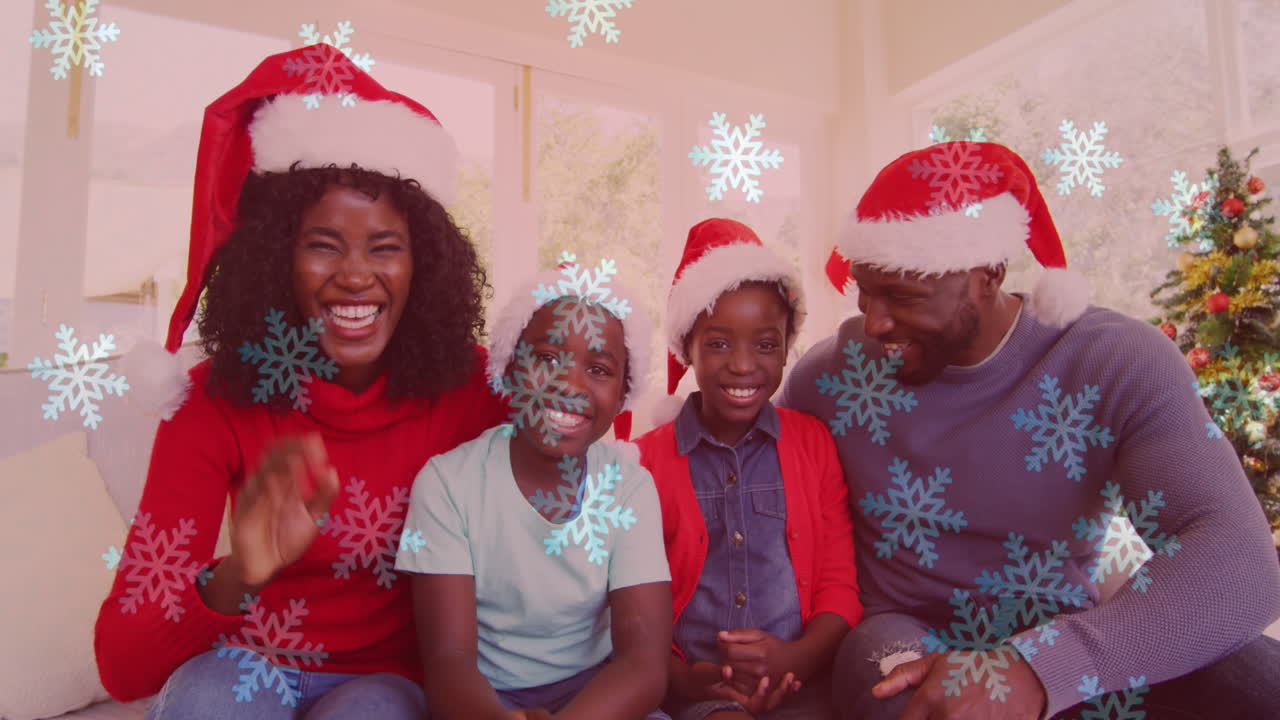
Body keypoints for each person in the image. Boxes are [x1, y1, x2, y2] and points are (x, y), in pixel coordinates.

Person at [781, 141, 1280, 719]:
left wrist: (1037, 667)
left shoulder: (1112, 361)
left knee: (1259, 680)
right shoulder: (831, 376)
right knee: (913, 697)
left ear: (989, 273)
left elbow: (1240, 561)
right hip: (899, 631)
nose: (874, 323)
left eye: (902, 297)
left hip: (1056, 626)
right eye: (866, 294)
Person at [93, 44, 506, 718]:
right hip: (247, 663)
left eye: (385, 248)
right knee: (207, 700)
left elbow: (583, 469)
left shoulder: (475, 388)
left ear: (424, 266)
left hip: (387, 679)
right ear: (274, 260)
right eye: (322, 245)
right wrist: (239, 574)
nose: (355, 275)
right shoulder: (212, 400)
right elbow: (121, 667)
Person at [394, 257, 672, 720]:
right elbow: (449, 663)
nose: (569, 384)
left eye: (598, 369)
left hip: (600, 695)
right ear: (509, 368)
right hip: (485, 699)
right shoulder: (447, 484)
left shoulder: (629, 488)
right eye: (546, 358)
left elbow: (643, 666)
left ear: (624, 394)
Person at [636, 218, 862, 720]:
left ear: (785, 346)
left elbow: (839, 583)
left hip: (803, 679)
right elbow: (630, 604)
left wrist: (799, 658)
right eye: (719, 343)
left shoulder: (814, 444)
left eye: (765, 344)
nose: (743, 365)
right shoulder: (645, 462)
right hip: (694, 690)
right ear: (687, 346)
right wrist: (684, 679)